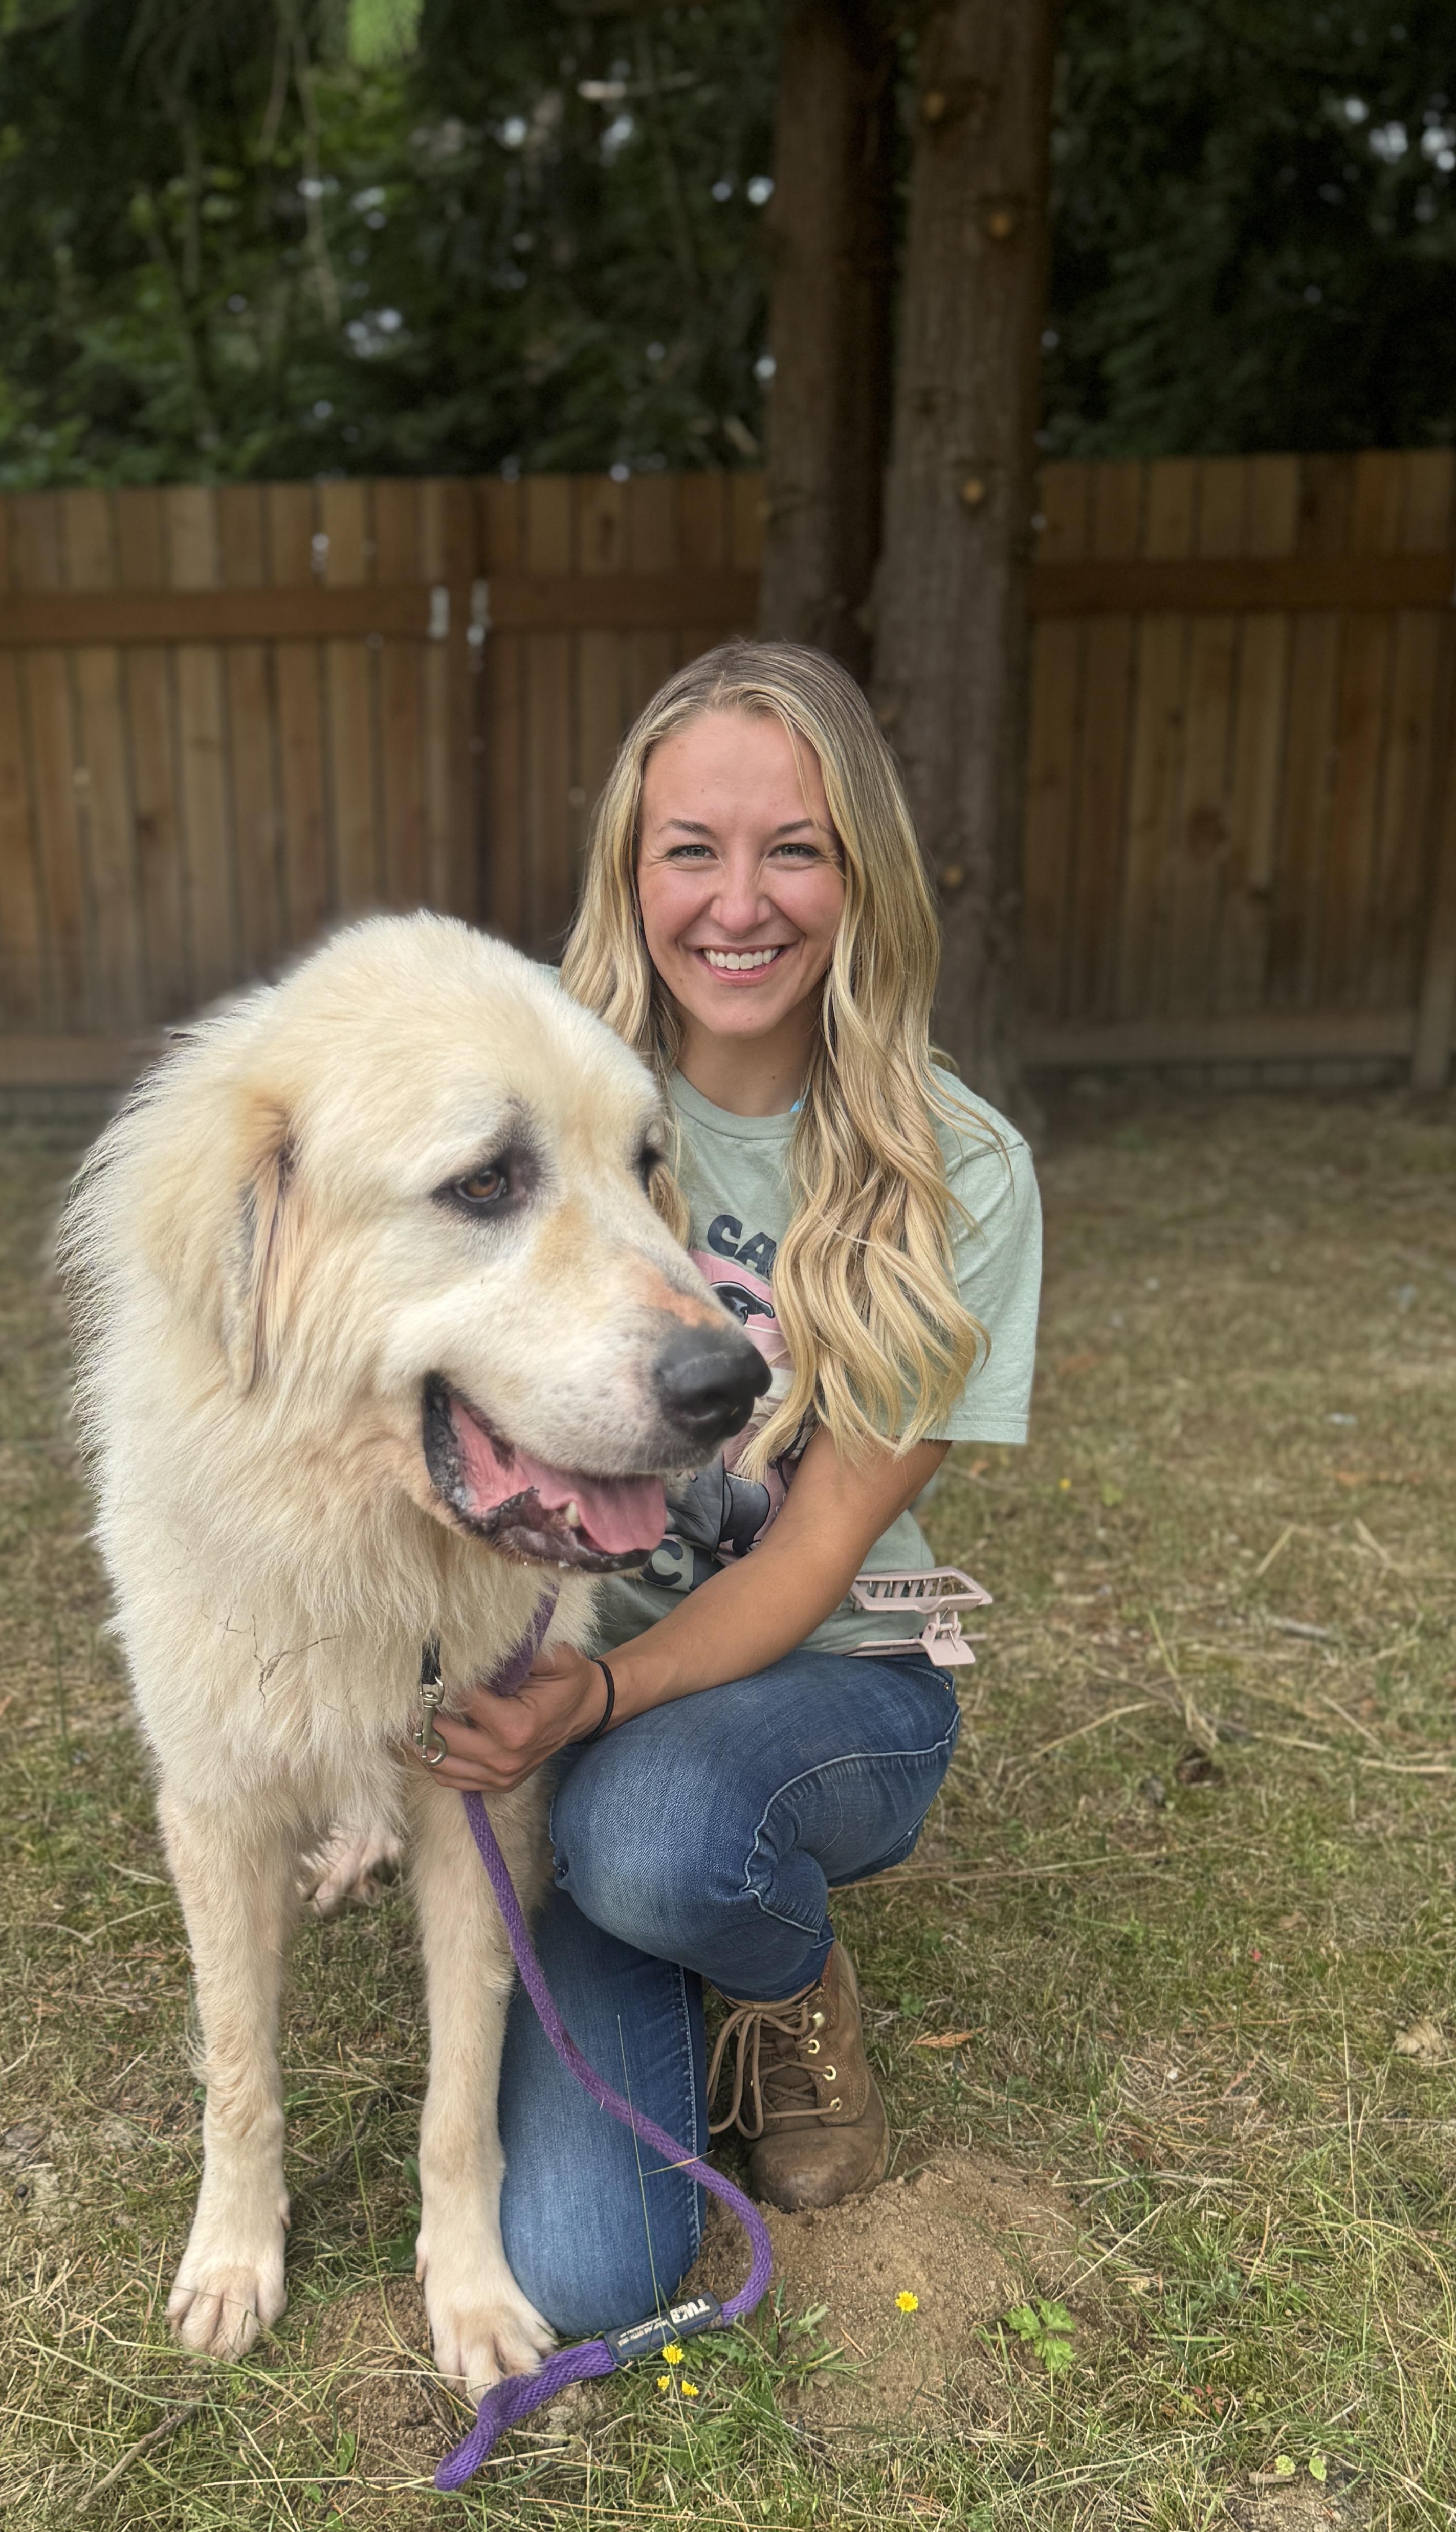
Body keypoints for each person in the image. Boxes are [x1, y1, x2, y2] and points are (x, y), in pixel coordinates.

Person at [422, 641, 1042, 2340]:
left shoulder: (955, 1170)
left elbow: (819, 1544)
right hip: (574, 1691)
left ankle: (781, 1968)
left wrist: (600, 1693)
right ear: (632, 871)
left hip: (821, 1682)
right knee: (585, 2267)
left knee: (661, 1828)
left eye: (796, 848)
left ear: (862, 875)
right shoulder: (532, 1120)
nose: (739, 902)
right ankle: (650, 1902)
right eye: (691, 847)